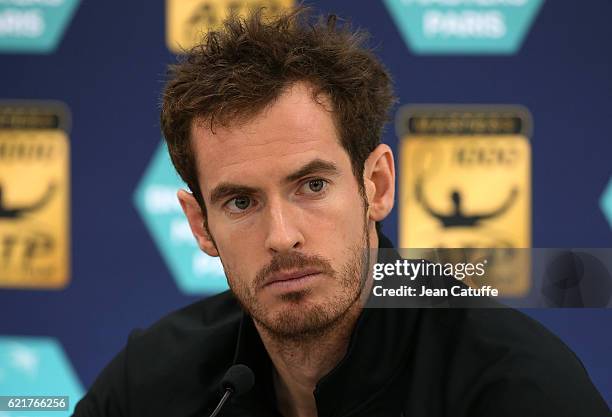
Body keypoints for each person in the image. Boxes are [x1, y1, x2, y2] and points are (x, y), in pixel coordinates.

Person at [72, 8, 610, 417]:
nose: (281, 237)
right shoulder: (149, 384)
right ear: (200, 225)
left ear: (375, 185)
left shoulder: (517, 389)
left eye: (311, 185)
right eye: (240, 202)